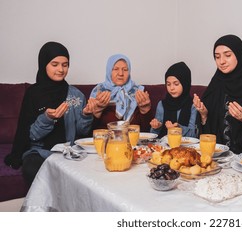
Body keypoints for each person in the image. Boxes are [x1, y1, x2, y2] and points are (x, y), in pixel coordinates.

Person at [3, 42, 94, 184]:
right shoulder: (33, 94)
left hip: (68, 152)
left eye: (65, 65)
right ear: (44, 64)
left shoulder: (76, 95)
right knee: (32, 168)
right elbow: (31, 136)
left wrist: (86, 115)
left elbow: (82, 132)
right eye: (55, 64)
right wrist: (47, 119)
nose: (61, 69)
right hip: (40, 153)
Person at [89, 54, 153, 132]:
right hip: (107, 141)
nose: (120, 73)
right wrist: (97, 112)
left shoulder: (139, 92)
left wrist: (145, 110)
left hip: (133, 140)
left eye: (125, 69)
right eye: (116, 69)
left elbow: (147, 130)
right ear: (109, 71)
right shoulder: (99, 92)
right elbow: (89, 131)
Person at [150, 62, 197, 138]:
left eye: (176, 84)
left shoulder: (193, 105)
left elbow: (194, 134)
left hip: (186, 148)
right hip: (164, 146)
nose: (171, 88)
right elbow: (153, 135)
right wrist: (156, 127)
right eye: (168, 84)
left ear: (185, 83)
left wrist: (178, 129)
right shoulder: (162, 104)